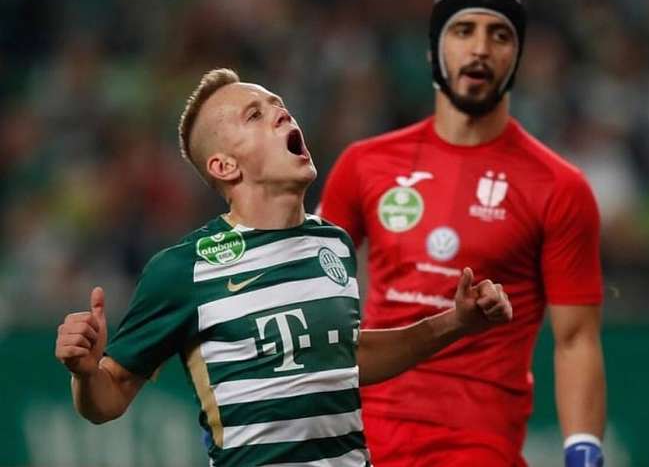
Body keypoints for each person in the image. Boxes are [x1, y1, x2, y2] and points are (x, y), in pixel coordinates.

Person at [54, 68, 513, 467]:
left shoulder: (333, 244)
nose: (282, 115)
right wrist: (85, 373)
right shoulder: (184, 269)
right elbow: (109, 396)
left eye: (280, 107)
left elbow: (343, 358)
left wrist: (456, 322)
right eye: (254, 115)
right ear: (224, 165)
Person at [318, 0, 606, 466]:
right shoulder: (363, 165)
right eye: (463, 31)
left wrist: (584, 450)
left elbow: (576, 339)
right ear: (434, 52)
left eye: (500, 36)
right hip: (361, 438)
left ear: (517, 58)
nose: (480, 48)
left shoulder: (559, 187)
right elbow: (309, 291)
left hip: (476, 444)